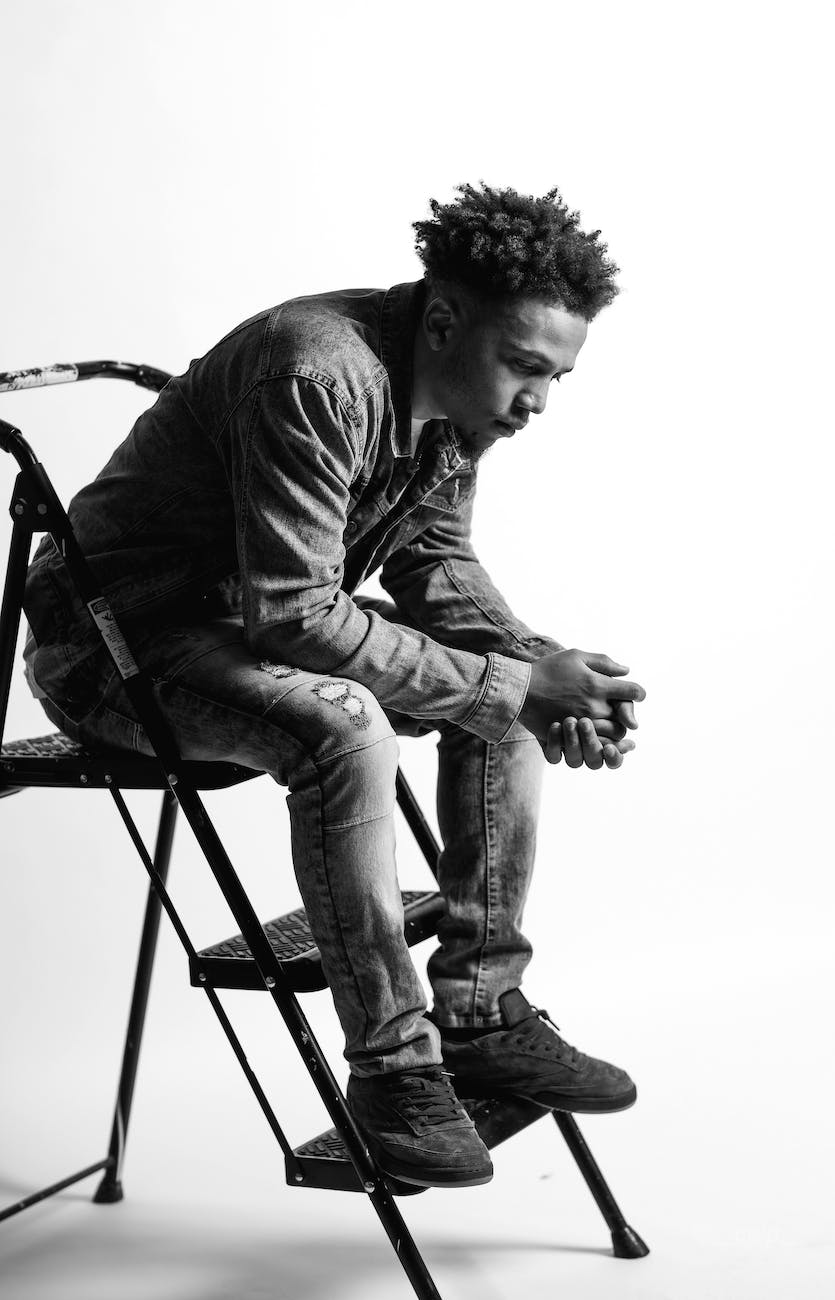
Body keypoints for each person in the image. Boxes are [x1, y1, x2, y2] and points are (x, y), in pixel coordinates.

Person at [22, 182, 646, 1190]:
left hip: (236, 628)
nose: (537, 400)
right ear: (444, 320)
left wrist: (549, 680)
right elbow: (298, 616)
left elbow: (434, 562)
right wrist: (515, 682)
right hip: (112, 647)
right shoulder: (316, 371)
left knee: (507, 690)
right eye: (525, 366)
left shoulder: (451, 402)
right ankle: (394, 1073)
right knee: (358, 721)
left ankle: (480, 1008)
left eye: (556, 375)